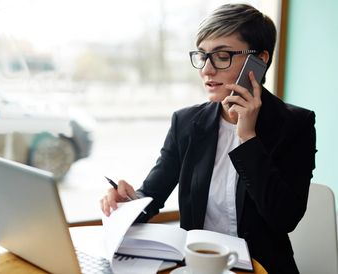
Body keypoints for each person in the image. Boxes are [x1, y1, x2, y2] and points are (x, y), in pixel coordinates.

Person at [100, 3, 316, 274]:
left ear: (259, 60)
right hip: (198, 267)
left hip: (262, 268)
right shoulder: (187, 123)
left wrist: (247, 137)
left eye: (222, 56)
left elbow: (284, 218)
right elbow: (152, 195)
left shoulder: (295, 124)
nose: (206, 69)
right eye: (202, 56)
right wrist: (127, 205)